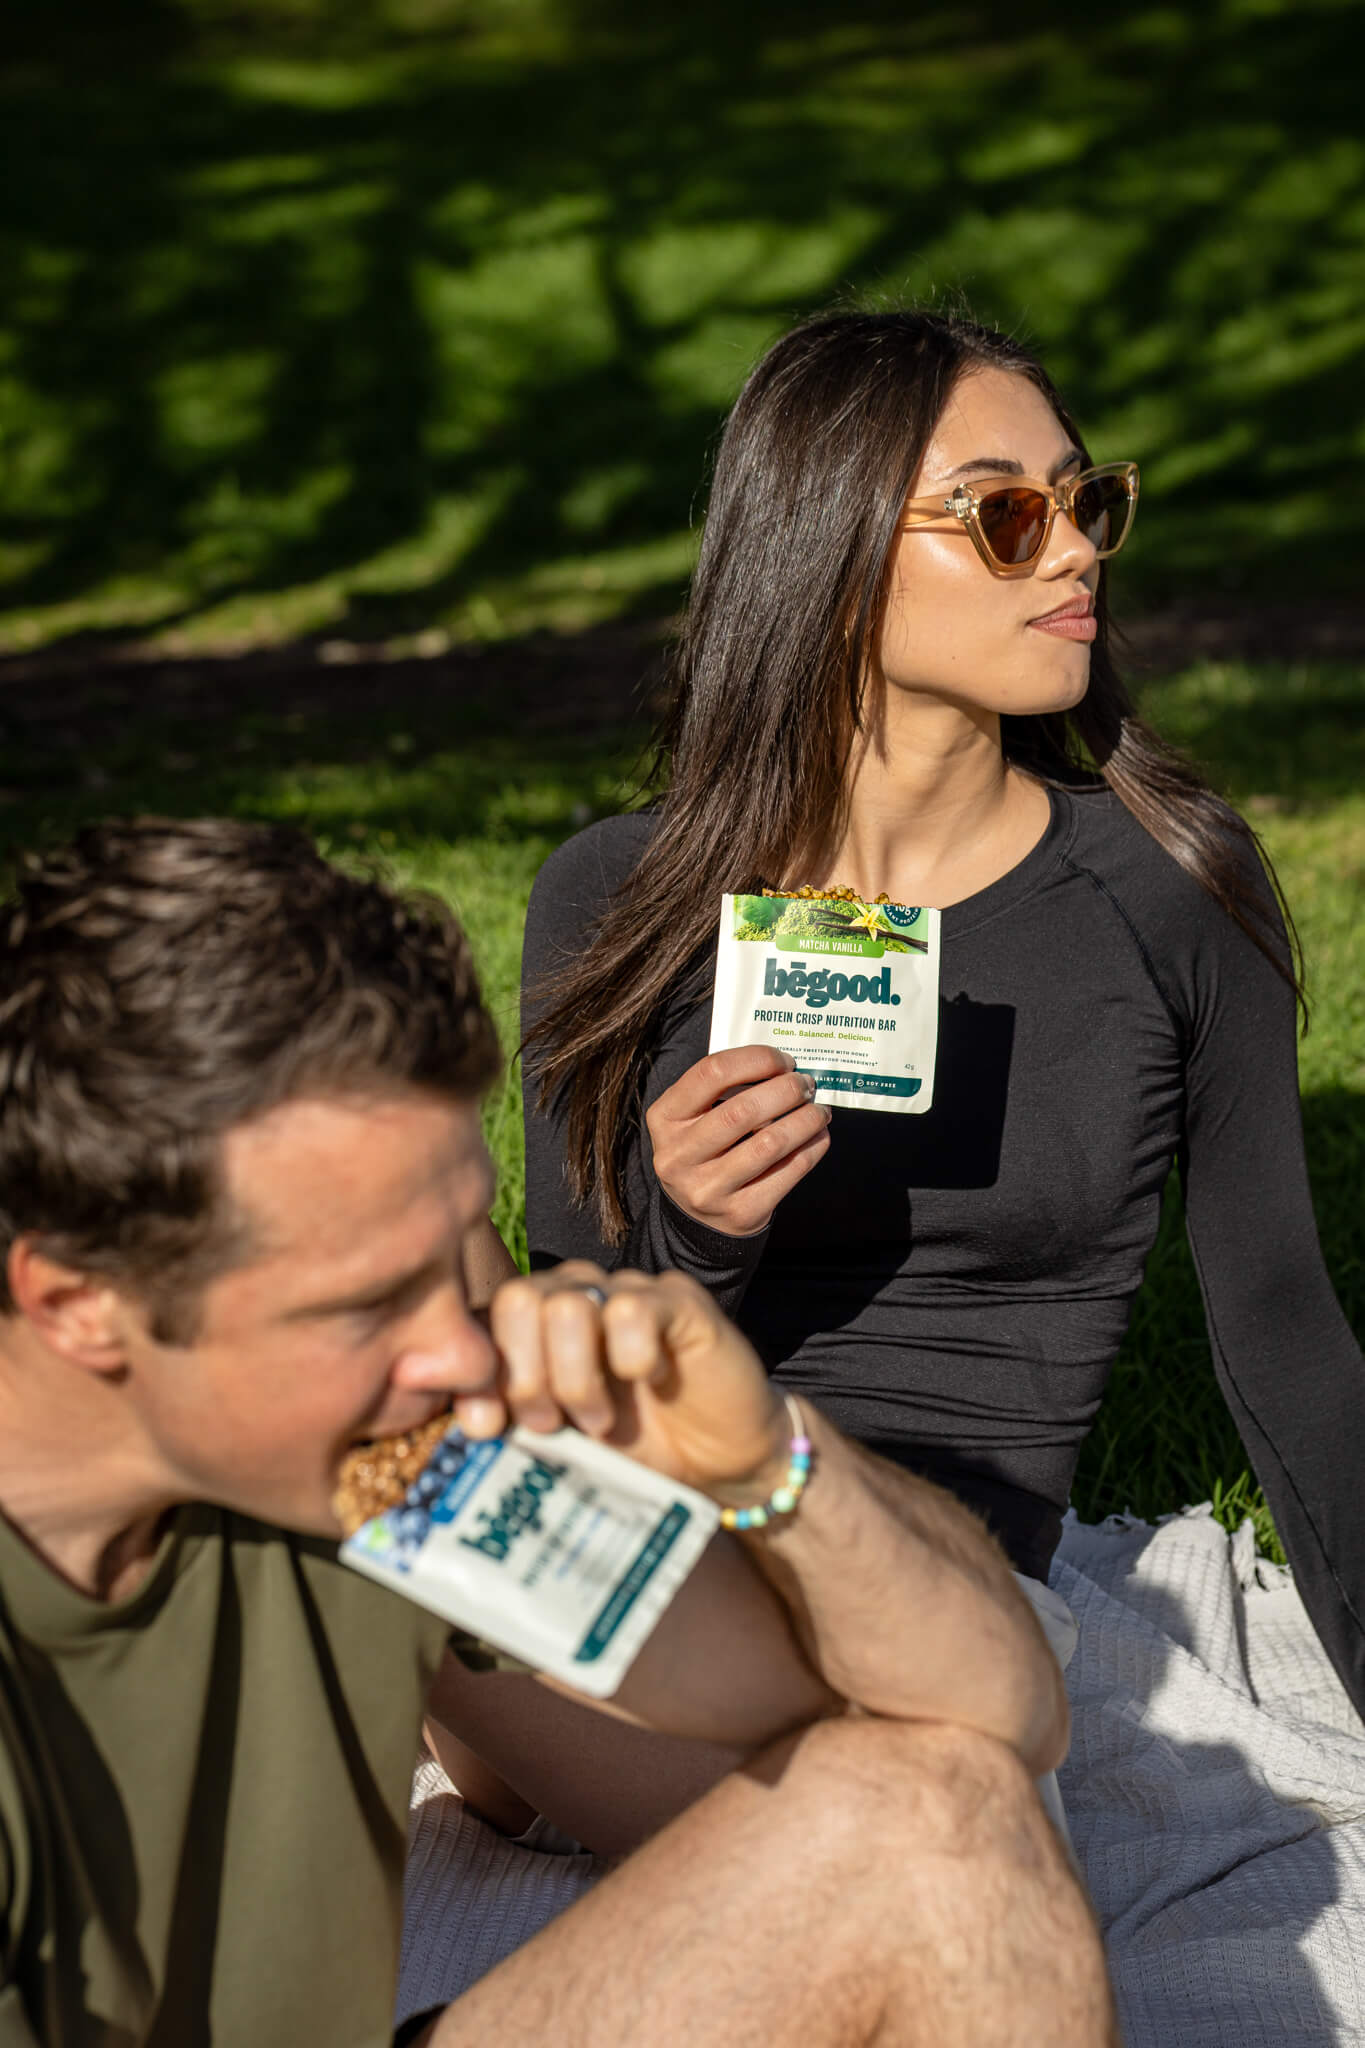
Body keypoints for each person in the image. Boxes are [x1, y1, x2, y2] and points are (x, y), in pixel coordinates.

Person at [0, 817, 1117, 2047]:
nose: (468, 1347)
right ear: (76, 1304)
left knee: (939, 1824)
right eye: (370, 1297)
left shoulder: (391, 1457)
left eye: (462, 1253)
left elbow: (987, 1722)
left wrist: (770, 1457)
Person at [520, 306, 1365, 1725]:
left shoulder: (1169, 888)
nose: (1081, 545)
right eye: (1008, 516)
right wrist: (698, 1235)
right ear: (832, 554)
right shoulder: (615, 899)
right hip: (653, 1552)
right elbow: (574, 1387)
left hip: (942, 1588)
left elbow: (1285, 1335)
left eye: (1087, 500)